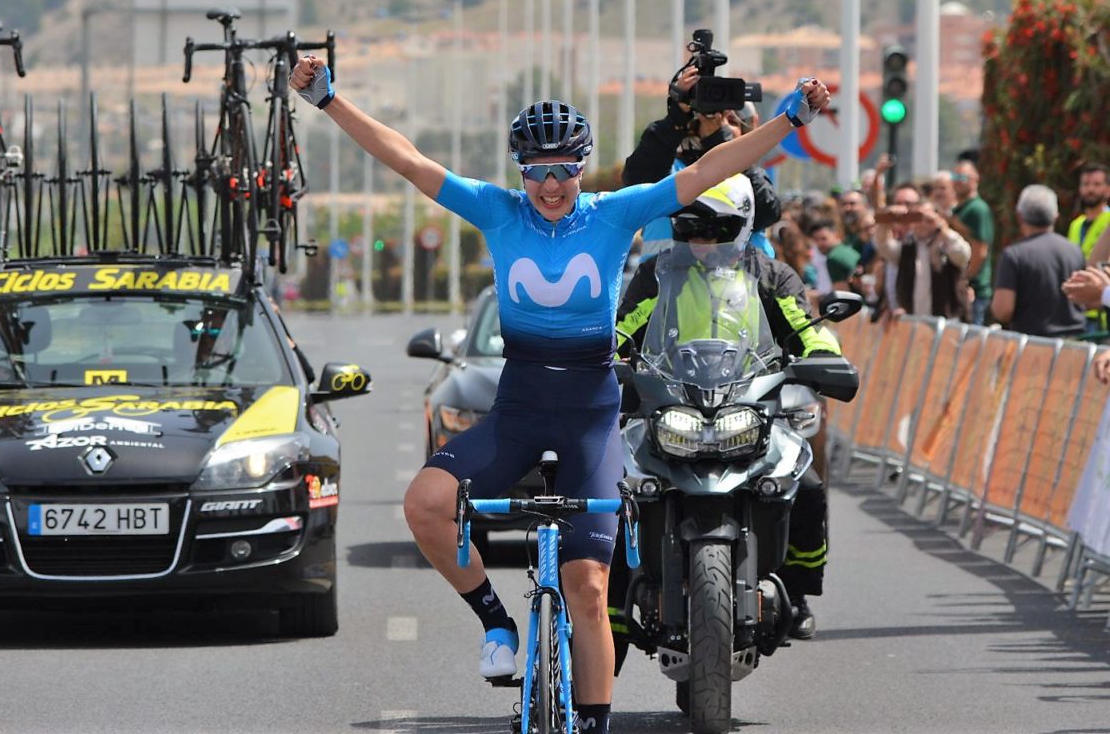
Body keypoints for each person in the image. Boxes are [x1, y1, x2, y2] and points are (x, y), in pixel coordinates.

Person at [290, 52, 829, 732]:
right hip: (516, 410)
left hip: (589, 417)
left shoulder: (613, 214)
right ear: (522, 171)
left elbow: (705, 173)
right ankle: (496, 623)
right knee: (424, 504)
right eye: (538, 172)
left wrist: (788, 119)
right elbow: (407, 159)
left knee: (589, 586)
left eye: (565, 170)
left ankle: (594, 723)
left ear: (581, 166)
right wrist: (330, 102)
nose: (551, 186)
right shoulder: (496, 210)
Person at [613, 178, 840, 641]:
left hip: (749, 405)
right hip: (672, 405)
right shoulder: (655, 274)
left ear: (741, 225)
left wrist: (824, 356)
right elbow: (624, 327)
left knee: (809, 489)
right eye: (690, 227)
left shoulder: (772, 275)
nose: (701, 240)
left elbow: (806, 327)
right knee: (618, 493)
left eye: (715, 228)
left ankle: (796, 594)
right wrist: (604, 357)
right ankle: (613, 610)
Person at [622, 62, 781, 261]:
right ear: (693, 125)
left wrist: (725, 148)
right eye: (709, 119)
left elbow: (766, 212)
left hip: (740, 287)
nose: (719, 127)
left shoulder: (748, 173)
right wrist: (676, 118)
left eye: (731, 122)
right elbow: (637, 184)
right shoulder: (670, 170)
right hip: (667, 284)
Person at [990, 184, 1085, 338]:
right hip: (1075, 346)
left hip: (1033, 347)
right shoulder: (1075, 250)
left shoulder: (1014, 255)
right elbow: (1085, 299)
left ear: (1019, 216)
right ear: (1055, 216)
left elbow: (1003, 310)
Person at [873, 183, 971, 321]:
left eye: (927, 219)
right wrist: (887, 220)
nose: (922, 223)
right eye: (918, 217)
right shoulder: (908, 247)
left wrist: (942, 229)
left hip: (947, 322)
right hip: (914, 322)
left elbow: (963, 256)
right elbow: (883, 246)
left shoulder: (946, 242)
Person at [1066, 163, 1110, 332]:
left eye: (1097, 184)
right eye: (1086, 184)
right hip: (1078, 308)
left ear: (1107, 190)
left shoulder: (1108, 220)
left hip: (1101, 310)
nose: (1090, 189)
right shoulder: (1075, 225)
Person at [950, 159, 995, 325]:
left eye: (962, 177)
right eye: (954, 176)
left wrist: (965, 279)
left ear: (975, 179)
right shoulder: (959, 209)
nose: (957, 181)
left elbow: (980, 252)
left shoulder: (978, 209)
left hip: (973, 292)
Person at [806, 219, 861, 292]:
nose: (820, 244)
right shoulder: (846, 250)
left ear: (835, 234)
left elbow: (841, 295)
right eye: (816, 240)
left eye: (823, 238)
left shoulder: (833, 259)